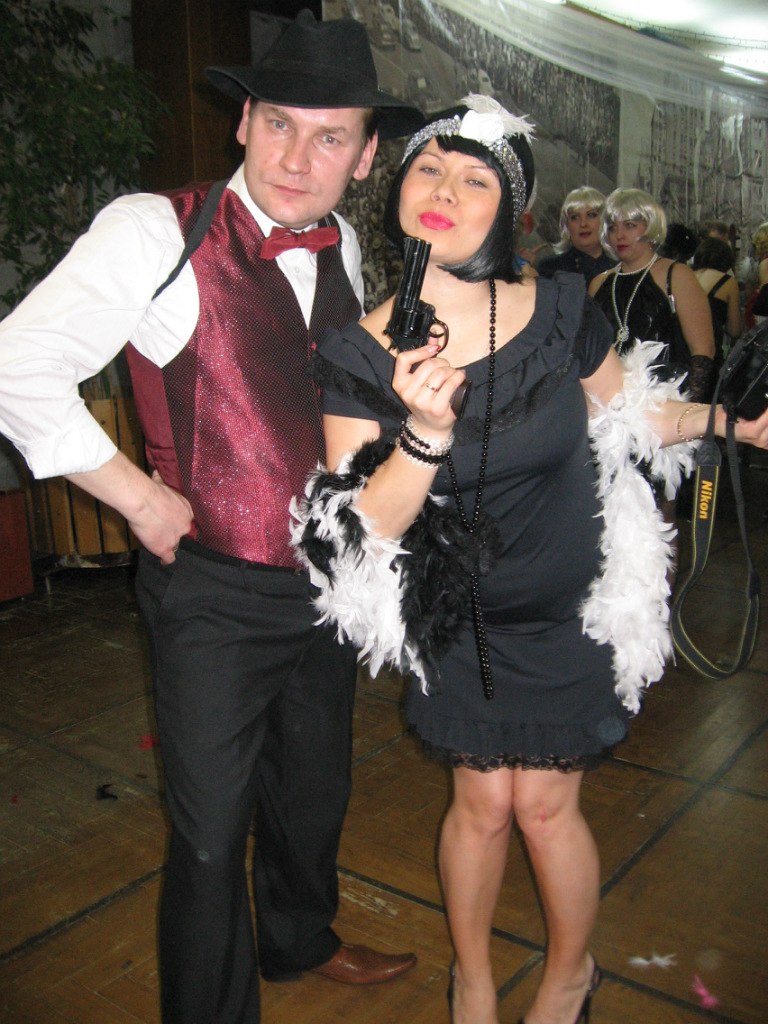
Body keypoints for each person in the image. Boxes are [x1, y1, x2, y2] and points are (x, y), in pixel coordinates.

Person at [288, 96, 768, 1024]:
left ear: (508, 209)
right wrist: (423, 436)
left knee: (546, 809)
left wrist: (730, 422)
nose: (444, 192)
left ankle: (569, 976)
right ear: (398, 189)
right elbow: (355, 530)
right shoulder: (357, 352)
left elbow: (631, 414)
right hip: (455, 617)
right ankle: (472, 978)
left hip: (570, 609)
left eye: (475, 180)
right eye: (429, 170)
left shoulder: (558, 311)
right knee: (481, 806)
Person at [0, 11, 424, 1024]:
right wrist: (137, 495)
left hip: (328, 584)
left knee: (312, 789)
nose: (297, 158)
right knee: (207, 832)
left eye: (330, 137)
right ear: (242, 122)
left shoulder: (349, 245)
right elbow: (17, 364)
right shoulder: (157, 230)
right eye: (278, 124)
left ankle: (298, 937)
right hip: (213, 594)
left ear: (366, 156)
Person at [589, 188, 716, 403]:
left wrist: (685, 411)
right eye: (612, 228)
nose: (619, 235)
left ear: (650, 227)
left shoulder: (677, 274)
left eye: (630, 225)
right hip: (608, 403)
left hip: (665, 400)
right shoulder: (599, 283)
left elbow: (703, 351)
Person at [535, 186, 615, 284]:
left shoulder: (620, 268)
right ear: (567, 226)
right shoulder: (549, 268)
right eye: (575, 217)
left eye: (591, 215)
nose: (583, 224)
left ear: (605, 222)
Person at [691, 236, 742, 373]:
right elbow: (734, 330)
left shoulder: (685, 276)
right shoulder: (728, 282)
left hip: (681, 348)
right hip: (709, 351)